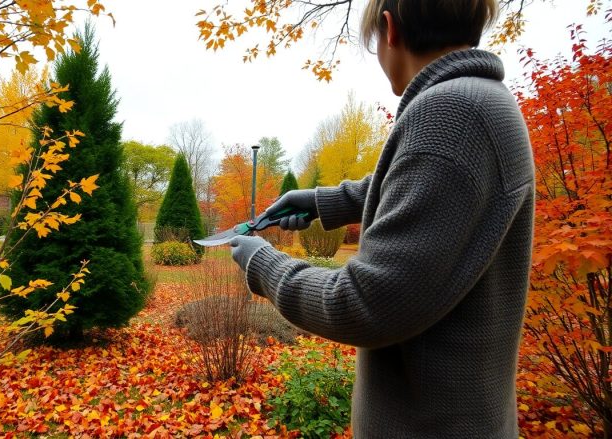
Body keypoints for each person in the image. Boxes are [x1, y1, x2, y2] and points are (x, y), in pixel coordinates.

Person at [229, 0, 535, 437]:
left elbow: (365, 305)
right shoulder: (479, 102)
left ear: (390, 31)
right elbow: (413, 182)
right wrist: (323, 202)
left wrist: (265, 265)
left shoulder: (453, 114)